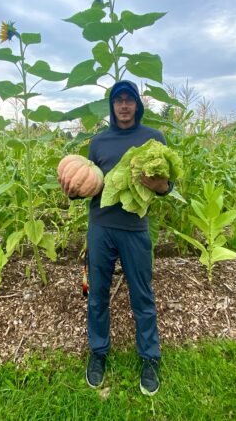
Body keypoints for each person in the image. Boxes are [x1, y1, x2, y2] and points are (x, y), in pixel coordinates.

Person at [59, 80, 173, 396]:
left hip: (135, 229)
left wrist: (158, 185)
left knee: (142, 295)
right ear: (112, 106)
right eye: (118, 100)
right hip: (100, 227)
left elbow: (167, 187)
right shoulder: (98, 142)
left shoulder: (154, 139)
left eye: (129, 100)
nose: (124, 105)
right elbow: (88, 184)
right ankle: (98, 352)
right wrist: (71, 192)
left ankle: (150, 358)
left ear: (138, 105)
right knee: (96, 293)